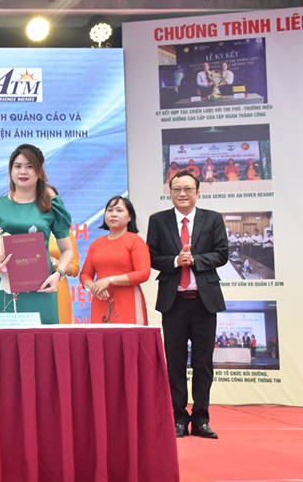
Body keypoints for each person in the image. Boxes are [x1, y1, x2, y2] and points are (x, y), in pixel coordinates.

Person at [148, 170, 228, 439]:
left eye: (187, 189)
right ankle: (179, 418)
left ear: (197, 192)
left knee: (203, 364)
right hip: (174, 303)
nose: (182, 193)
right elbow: (152, 257)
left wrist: (195, 260)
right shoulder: (158, 221)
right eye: (176, 189)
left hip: (204, 303)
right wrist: (174, 262)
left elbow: (222, 254)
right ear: (169, 192)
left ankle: (202, 419)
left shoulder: (212, 218)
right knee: (175, 363)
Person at [0, 144, 73, 324]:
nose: (23, 171)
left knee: (43, 345)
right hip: (6, 288)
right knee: (6, 346)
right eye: (18, 166)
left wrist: (58, 274)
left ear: (39, 171)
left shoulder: (51, 206)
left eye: (30, 166)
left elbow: (67, 250)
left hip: (42, 287)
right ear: (11, 171)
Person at [80, 196, 151, 325]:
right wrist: (94, 287)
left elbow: (143, 273)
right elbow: (85, 275)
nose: (113, 214)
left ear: (129, 217)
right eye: (110, 210)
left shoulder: (135, 241)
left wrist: (110, 280)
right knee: (101, 341)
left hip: (128, 300)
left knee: (128, 342)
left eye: (119, 210)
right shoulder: (96, 244)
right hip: (101, 299)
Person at [48, 186, 78, 324]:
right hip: (29, 290)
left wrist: (55, 264)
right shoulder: (22, 228)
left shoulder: (64, 231)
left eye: (53, 200)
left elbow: (74, 268)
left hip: (58, 289)